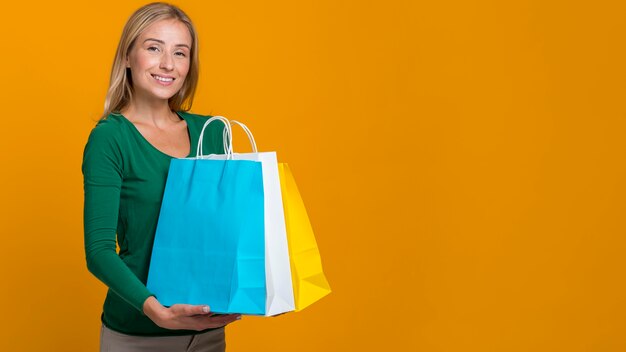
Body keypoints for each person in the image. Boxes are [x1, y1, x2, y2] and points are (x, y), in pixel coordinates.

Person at [81, 2, 240, 351]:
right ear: (127, 56)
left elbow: (228, 232)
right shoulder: (111, 139)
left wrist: (265, 287)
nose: (168, 64)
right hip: (138, 336)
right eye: (154, 48)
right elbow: (99, 251)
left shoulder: (212, 133)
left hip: (209, 334)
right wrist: (158, 312)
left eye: (180, 53)